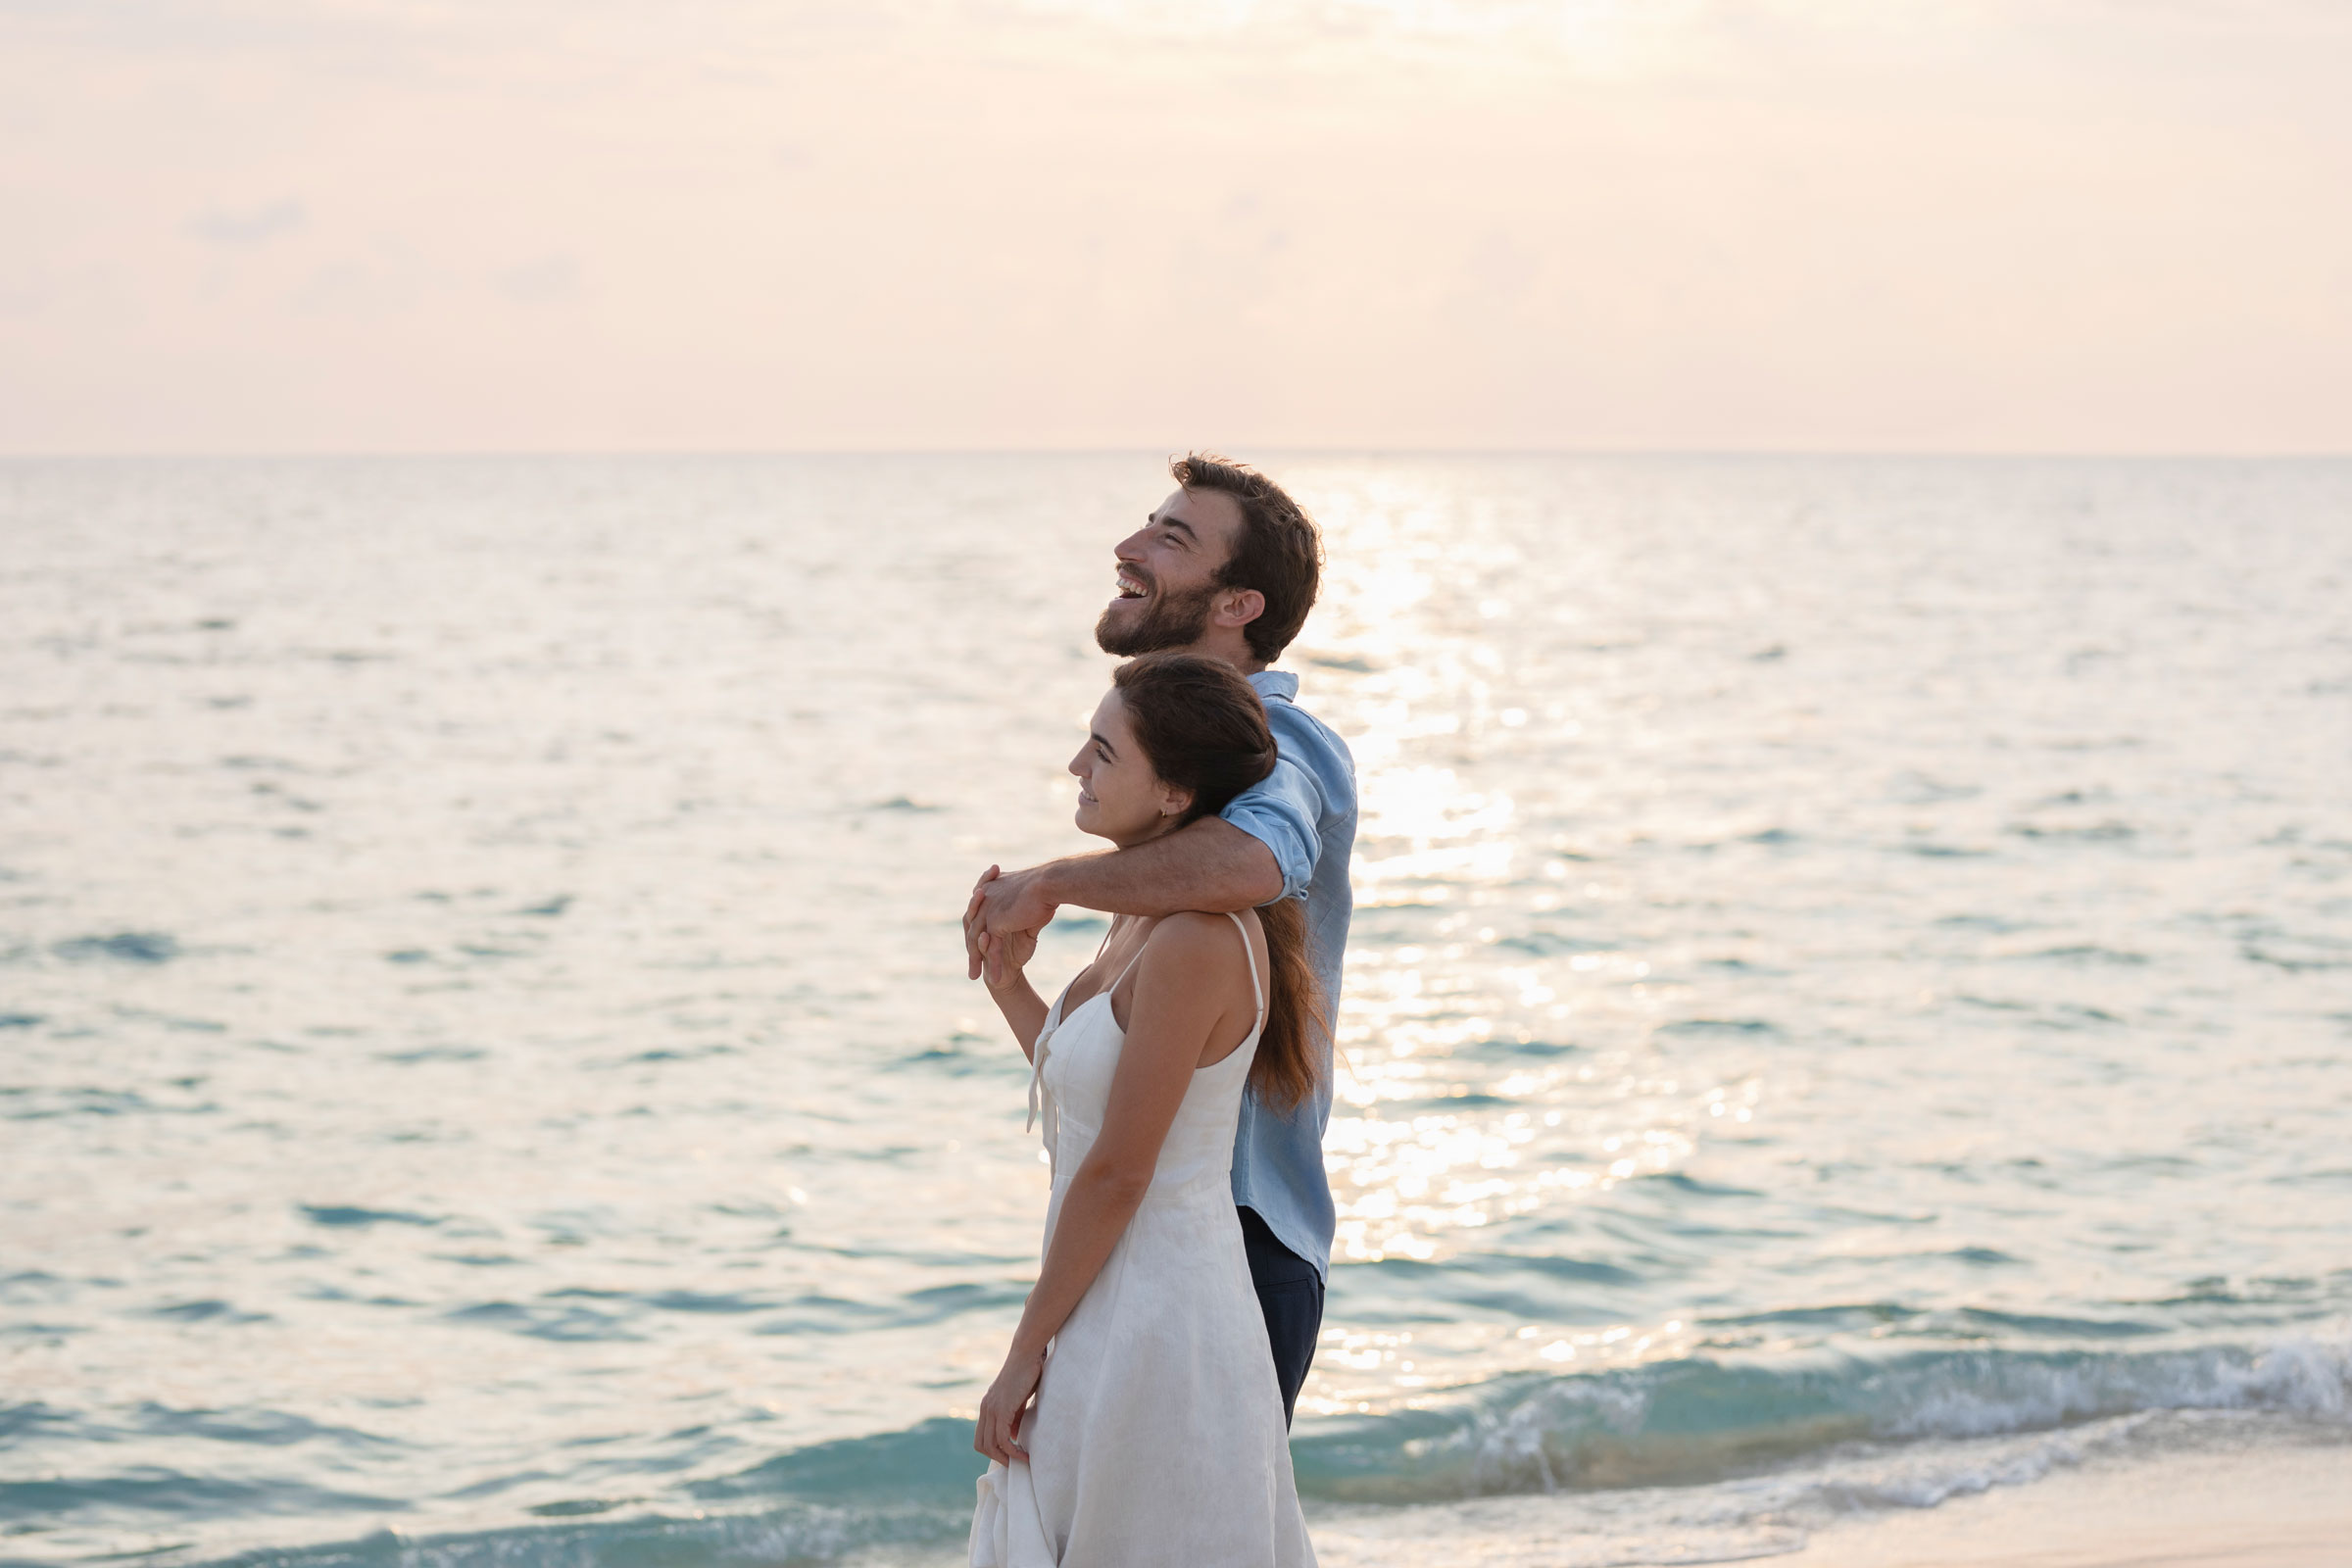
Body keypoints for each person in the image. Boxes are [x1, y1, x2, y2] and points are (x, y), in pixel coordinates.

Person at [963, 454, 1355, 1427]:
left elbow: (1258, 860)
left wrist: (1054, 883)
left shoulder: (1285, 744)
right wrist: (1018, 989)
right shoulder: (1160, 829)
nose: (1128, 549)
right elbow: (1106, 1087)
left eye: (1171, 539)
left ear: (1237, 603)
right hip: (1147, 1246)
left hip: (1236, 1241)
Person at [966, 653, 1320, 1567]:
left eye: (1102, 751)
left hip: (1164, 1324)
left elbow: (1122, 1172)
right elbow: (1091, 1104)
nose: (1077, 768)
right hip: (1106, 1306)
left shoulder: (1199, 939)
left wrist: (1021, 1355)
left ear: (1171, 793)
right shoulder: (1136, 920)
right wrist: (1013, 991)